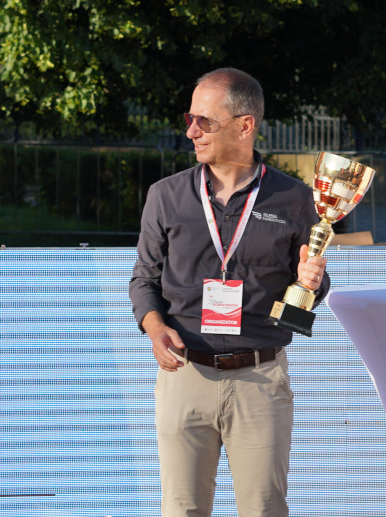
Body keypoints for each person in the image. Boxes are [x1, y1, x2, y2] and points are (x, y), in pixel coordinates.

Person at [129, 67, 330, 517]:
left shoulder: (296, 199)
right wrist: (155, 327)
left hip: (260, 379)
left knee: (263, 509)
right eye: (190, 119)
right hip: (185, 374)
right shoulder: (166, 196)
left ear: (245, 125)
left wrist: (311, 283)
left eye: (205, 121)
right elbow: (144, 280)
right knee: (182, 509)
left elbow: (309, 296)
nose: (191, 131)